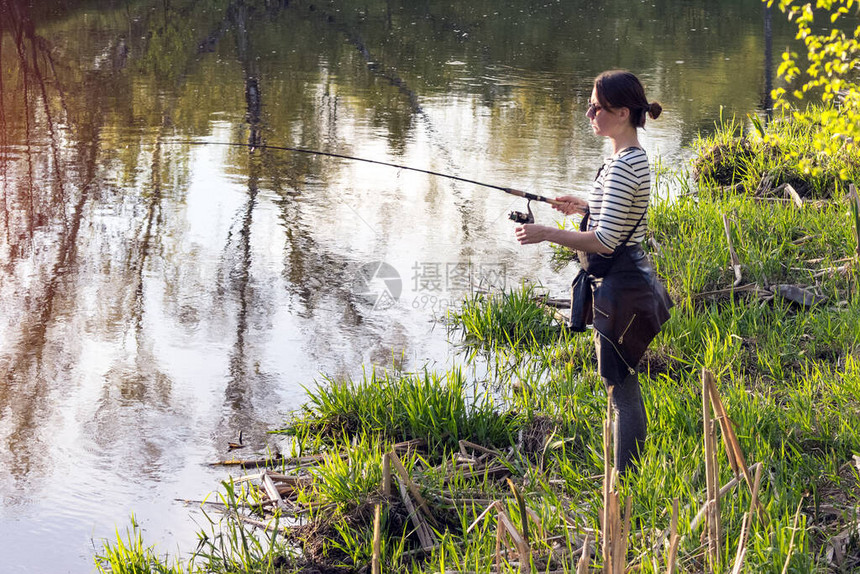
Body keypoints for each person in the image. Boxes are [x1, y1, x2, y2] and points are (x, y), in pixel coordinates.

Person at [515, 70, 673, 474]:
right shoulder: (626, 158)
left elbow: (604, 242)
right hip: (624, 281)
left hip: (622, 286)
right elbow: (620, 217)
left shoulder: (624, 166)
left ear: (621, 112)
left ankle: (625, 481)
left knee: (620, 387)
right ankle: (626, 475)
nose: (589, 113)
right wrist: (584, 207)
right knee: (621, 382)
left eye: (596, 107)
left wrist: (547, 233)